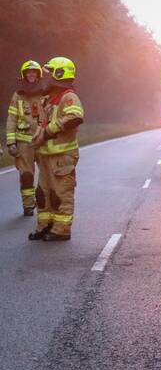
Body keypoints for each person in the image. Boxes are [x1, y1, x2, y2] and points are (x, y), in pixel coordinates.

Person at [29, 57, 84, 241]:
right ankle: (45, 226)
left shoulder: (69, 97)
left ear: (60, 74)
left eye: (50, 72)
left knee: (61, 194)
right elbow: (43, 124)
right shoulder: (49, 98)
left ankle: (61, 230)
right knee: (43, 194)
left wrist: (49, 131)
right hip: (45, 156)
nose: (47, 77)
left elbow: (75, 117)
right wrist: (36, 140)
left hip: (62, 157)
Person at [6, 61, 46, 216]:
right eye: (28, 72)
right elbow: (11, 119)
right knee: (26, 175)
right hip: (24, 142)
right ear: (24, 75)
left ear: (38, 74)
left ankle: (43, 201)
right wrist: (11, 142)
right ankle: (28, 206)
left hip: (42, 140)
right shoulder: (17, 95)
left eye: (34, 72)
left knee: (46, 175)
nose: (31, 74)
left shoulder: (45, 92)